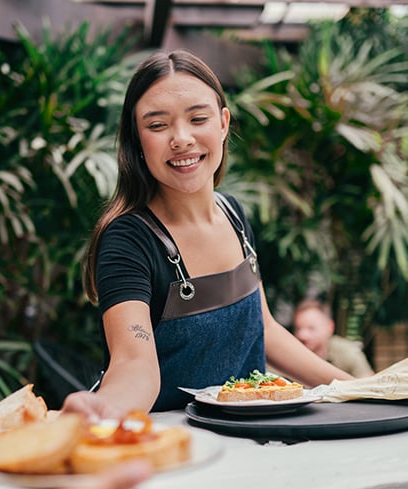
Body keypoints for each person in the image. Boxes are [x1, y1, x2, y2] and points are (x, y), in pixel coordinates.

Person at [62, 49, 354, 418]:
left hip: (252, 437)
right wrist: (102, 411)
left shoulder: (233, 213)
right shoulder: (127, 239)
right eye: (157, 126)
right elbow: (134, 363)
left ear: (223, 123)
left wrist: (356, 388)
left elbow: (264, 328)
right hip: (166, 449)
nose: (181, 139)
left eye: (198, 118)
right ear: (137, 140)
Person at [292, 299, 374, 377]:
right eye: (298, 329)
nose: (302, 335)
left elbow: (368, 385)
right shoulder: (291, 355)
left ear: (330, 327)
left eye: (311, 328)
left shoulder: (347, 352)